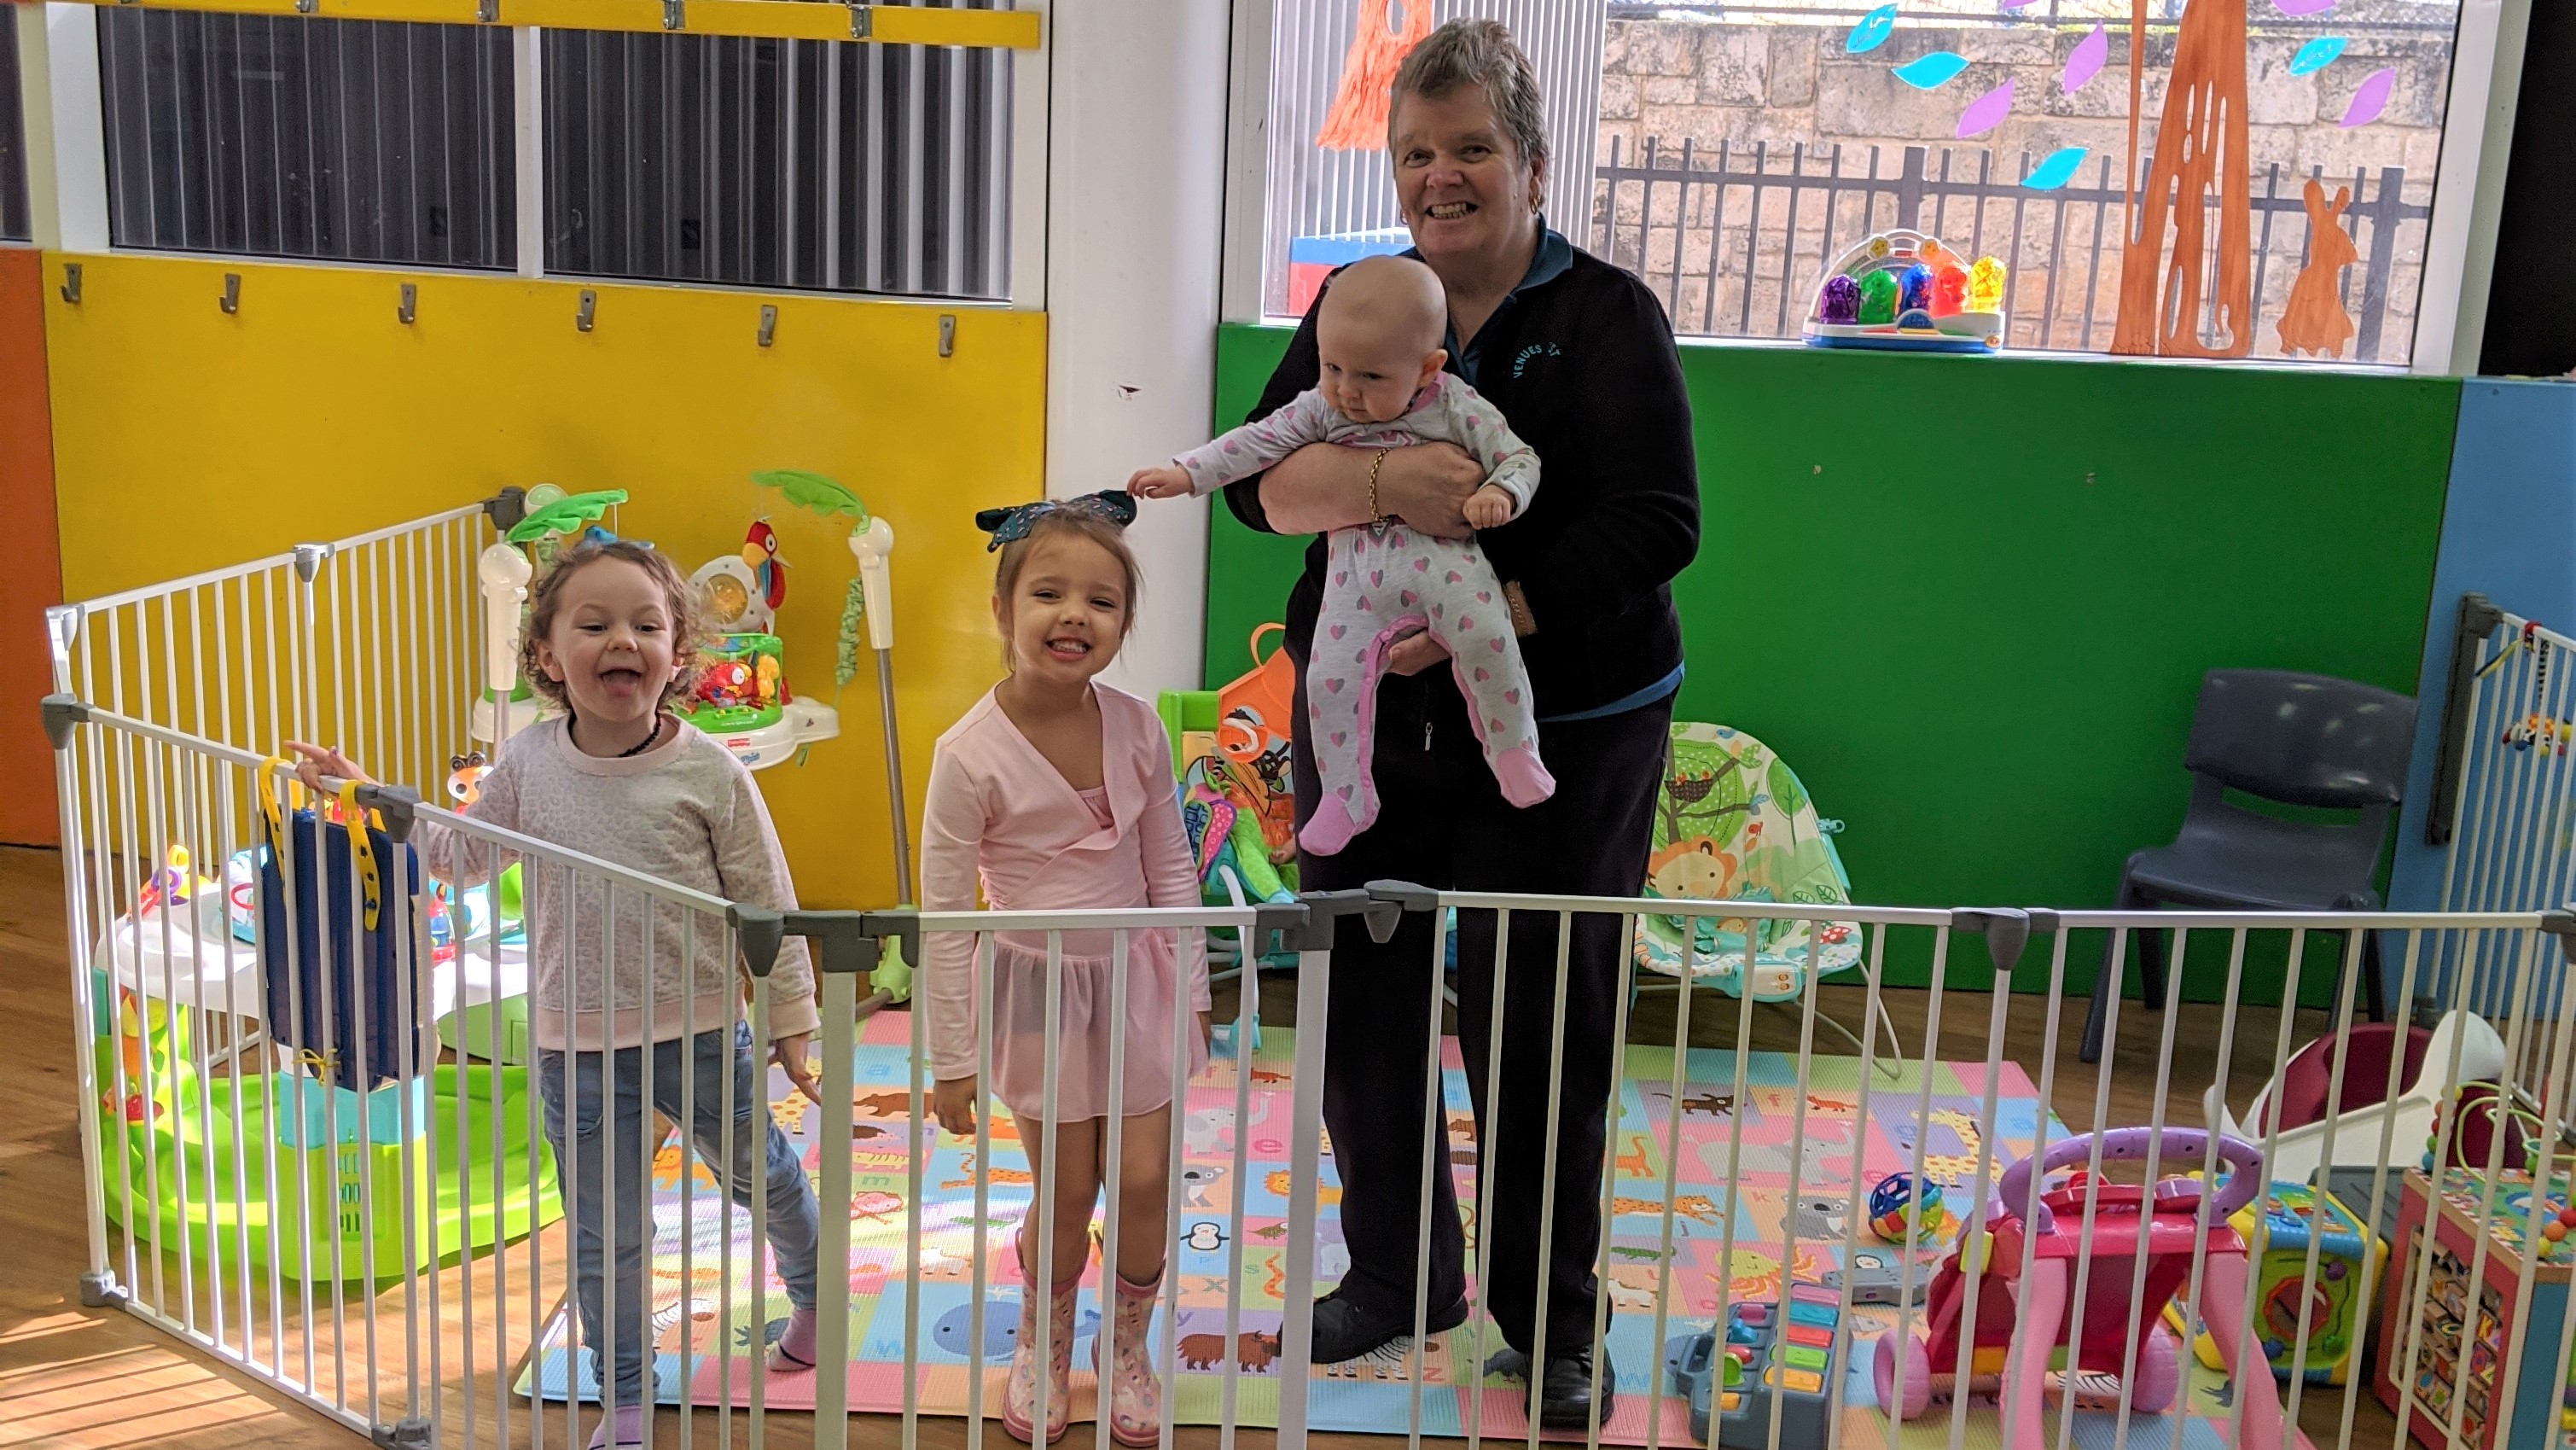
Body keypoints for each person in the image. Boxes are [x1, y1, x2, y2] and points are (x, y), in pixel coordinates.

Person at [1219, 19, 1700, 1429]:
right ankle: (1396, 1273)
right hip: (1369, 722)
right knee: (1362, 1002)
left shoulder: (1607, 316)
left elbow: (1656, 524)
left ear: (1530, 163)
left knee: (1537, 1015)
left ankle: (1550, 1314)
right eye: (1416, 152)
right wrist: (1381, 494)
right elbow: (1261, 486)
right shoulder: (1359, 300)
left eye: (1470, 149)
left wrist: (1496, 613)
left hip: (1565, 724)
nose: (1441, 176)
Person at [289, 539, 828, 1450]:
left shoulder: (709, 773)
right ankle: (624, 1397)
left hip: (698, 1031)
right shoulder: (529, 764)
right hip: (573, 1048)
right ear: (547, 656)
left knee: (760, 1173)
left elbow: (766, 904)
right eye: (595, 623)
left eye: (646, 625)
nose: (624, 640)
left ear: (676, 656)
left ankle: (812, 1294)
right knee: (604, 1235)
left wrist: (791, 1021)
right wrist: (374, 800)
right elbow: (461, 856)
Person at [922, 493, 1211, 1447]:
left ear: (1124, 625)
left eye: (1102, 601)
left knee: (1141, 1180)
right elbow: (942, 918)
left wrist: (1197, 997)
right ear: (1002, 611)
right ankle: (1043, 1342)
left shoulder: (1138, 728)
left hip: (1138, 983)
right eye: (1048, 593)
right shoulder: (966, 755)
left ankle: (1125, 1346)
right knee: (1069, 1187)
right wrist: (952, 1057)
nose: (1074, 616)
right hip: (1039, 992)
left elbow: (1171, 865)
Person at [1129, 252, 1552, 854]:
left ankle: (1512, 749)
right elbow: (1254, 443)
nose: (1347, 393)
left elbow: (1519, 457)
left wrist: (1499, 492)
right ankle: (1346, 796)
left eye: (1371, 378)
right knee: (1329, 678)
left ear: (1427, 368)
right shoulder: (1321, 406)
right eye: (1332, 368)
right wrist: (1185, 473)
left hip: (1449, 565)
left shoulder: (1455, 404)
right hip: (1357, 576)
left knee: (1488, 635)